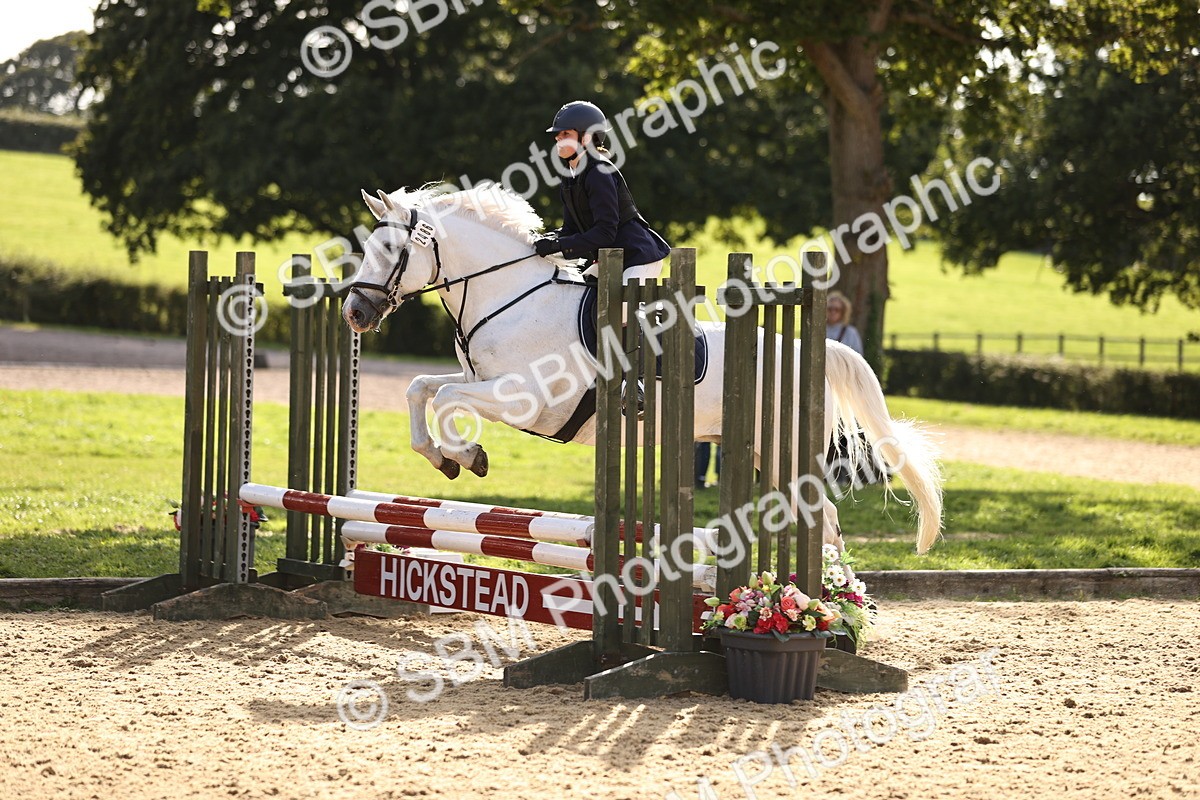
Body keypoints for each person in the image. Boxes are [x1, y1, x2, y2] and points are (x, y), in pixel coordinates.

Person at [532, 101, 671, 283]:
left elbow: (605, 232)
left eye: (566, 133)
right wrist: (543, 240)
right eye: (558, 134)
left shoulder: (598, 172)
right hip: (611, 258)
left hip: (637, 258)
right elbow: (570, 229)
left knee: (618, 310)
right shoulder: (570, 176)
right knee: (575, 297)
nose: (558, 138)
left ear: (587, 138)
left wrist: (558, 246)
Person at [825, 291, 863, 356]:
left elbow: (858, 356)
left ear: (843, 312)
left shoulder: (850, 333)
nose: (833, 312)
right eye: (830, 309)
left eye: (837, 310)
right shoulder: (817, 331)